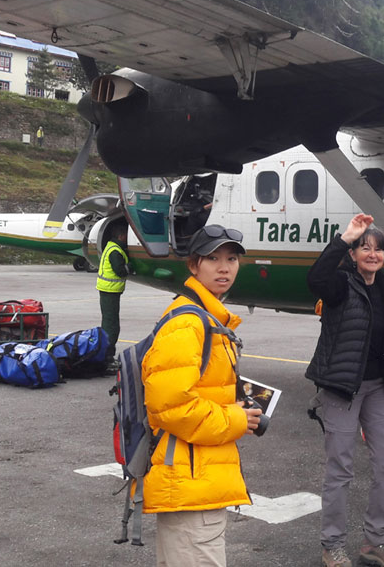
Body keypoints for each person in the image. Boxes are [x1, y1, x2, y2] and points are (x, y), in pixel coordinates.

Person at [141, 224, 262, 567]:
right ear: (194, 265)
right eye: (213, 258)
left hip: (197, 477)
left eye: (232, 258)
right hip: (190, 481)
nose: (224, 267)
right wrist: (236, 418)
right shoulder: (188, 324)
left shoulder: (208, 319)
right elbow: (172, 406)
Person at [306, 213, 384, 567]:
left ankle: (376, 541)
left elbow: (383, 327)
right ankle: (332, 544)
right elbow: (314, 277)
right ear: (352, 255)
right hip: (343, 387)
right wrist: (344, 237)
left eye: (378, 249)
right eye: (364, 248)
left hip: (380, 385)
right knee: (341, 468)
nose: (372, 254)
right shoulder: (339, 285)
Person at [97, 222, 129, 359]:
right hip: (110, 291)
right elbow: (120, 271)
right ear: (122, 236)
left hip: (107, 290)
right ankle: (107, 356)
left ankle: (105, 355)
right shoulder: (115, 251)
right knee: (111, 325)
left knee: (109, 322)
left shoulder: (111, 246)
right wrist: (130, 267)